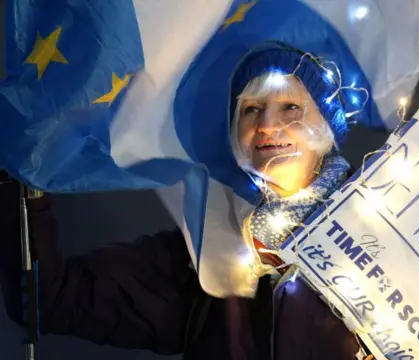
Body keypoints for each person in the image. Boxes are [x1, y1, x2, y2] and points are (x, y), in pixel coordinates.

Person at [0, 44, 375, 360]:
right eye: (250, 109)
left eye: (290, 107)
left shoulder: (390, 226)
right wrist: (25, 177)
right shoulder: (204, 255)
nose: (267, 125)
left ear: (327, 123)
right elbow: (49, 298)